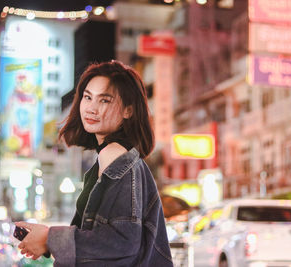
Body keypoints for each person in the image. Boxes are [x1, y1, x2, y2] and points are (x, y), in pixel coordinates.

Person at [15, 60, 173, 267]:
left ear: (128, 110)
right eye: (87, 97)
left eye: (105, 101)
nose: (91, 108)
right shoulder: (118, 158)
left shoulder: (116, 156)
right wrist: (48, 243)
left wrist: (49, 238)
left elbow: (122, 244)